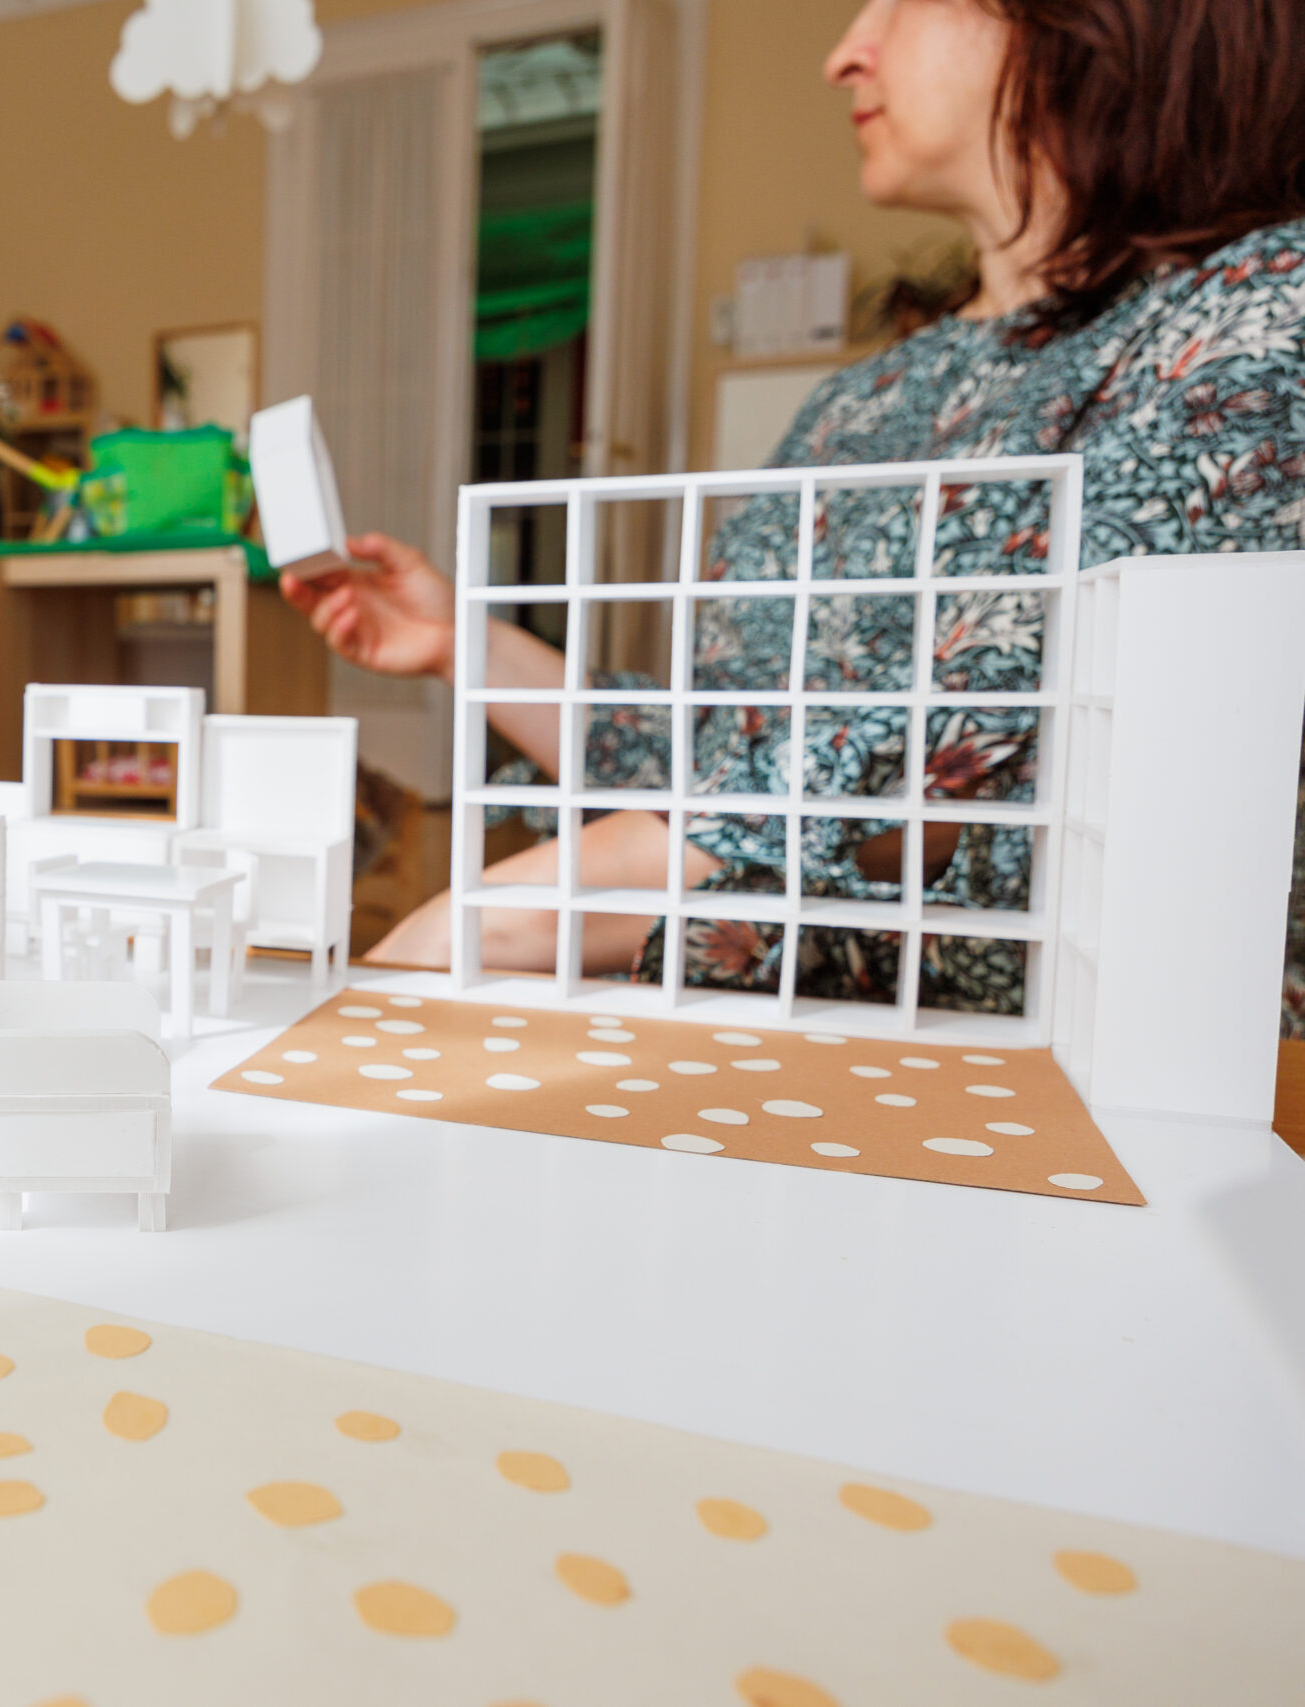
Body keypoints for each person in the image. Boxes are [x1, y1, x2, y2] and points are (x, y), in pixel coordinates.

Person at [285, 0, 1305, 1030]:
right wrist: (464, 645)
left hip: (1076, 1054)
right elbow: (732, 759)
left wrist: (524, 903)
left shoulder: (1256, 315)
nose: (843, 54)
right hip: (779, 1022)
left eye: (900, 4)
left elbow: (1013, 745)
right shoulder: (856, 402)